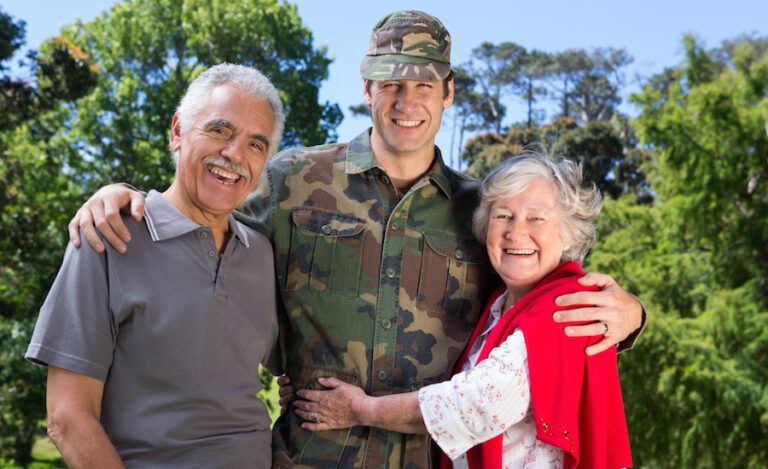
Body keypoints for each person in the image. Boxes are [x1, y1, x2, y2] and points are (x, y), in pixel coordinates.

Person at [67, 11, 644, 468]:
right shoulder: (292, 180)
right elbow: (208, 199)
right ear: (367, 87)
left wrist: (632, 316)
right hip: (308, 459)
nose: (405, 101)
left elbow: (537, 301)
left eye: (423, 84)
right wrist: (121, 195)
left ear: (449, 93)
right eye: (390, 82)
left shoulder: (483, 210)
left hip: (433, 460)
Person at [291, 152, 632, 469]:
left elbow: (475, 405)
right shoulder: (498, 304)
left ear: (569, 234)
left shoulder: (566, 308)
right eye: (503, 215)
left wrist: (361, 409)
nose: (517, 232)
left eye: (537, 218)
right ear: (486, 228)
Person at [26, 63, 285, 468]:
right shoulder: (106, 238)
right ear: (178, 131)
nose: (234, 154)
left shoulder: (262, 253)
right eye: (219, 130)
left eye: (256, 144)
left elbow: (298, 367)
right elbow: (67, 417)